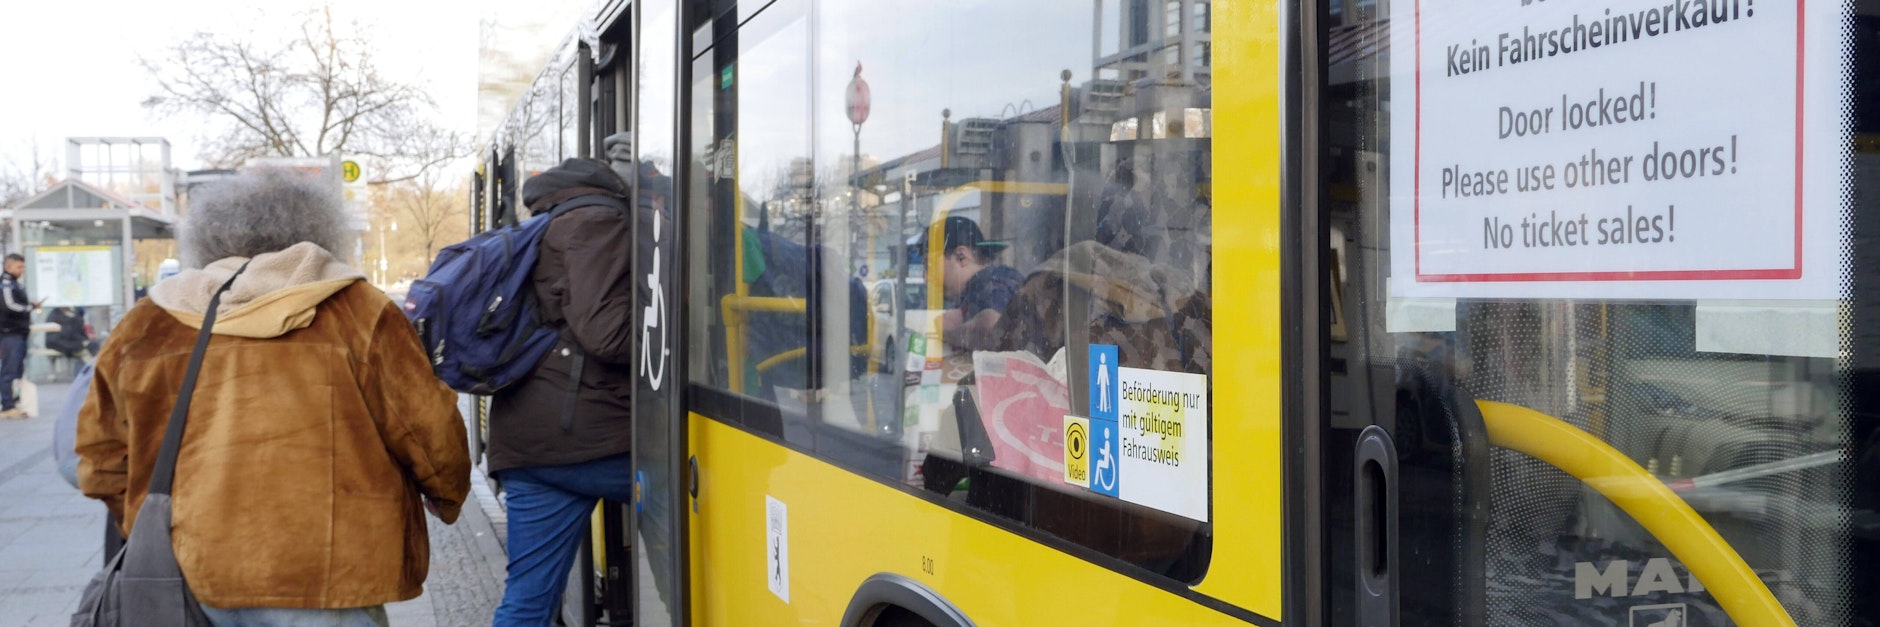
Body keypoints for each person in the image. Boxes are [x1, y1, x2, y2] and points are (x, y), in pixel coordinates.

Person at [75, 167, 471, 626]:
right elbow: (429, 428)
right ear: (319, 229)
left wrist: (155, 528)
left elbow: (100, 460)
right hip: (333, 572)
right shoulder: (360, 311)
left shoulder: (146, 323)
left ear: (207, 238)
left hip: (193, 570)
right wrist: (446, 496)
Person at [488, 157, 636, 626]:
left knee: (527, 602)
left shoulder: (543, 225)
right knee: (706, 491)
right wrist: (683, 337)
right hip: (589, 439)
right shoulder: (599, 220)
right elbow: (607, 334)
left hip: (528, 440)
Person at [936, 216, 1021, 351]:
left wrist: (947, 332)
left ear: (961, 256)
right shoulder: (972, 291)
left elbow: (992, 326)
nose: (925, 277)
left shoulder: (991, 280)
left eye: (929, 265)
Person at [0, 253, 40, 418]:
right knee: (9, 370)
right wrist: (29, 307)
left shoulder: (15, 284)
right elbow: (9, 305)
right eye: (19, 267)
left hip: (18, 332)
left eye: (22, 267)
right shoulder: (6, 284)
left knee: (17, 370)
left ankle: (15, 403)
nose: (22, 270)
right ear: (8, 266)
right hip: (10, 333)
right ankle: (8, 406)